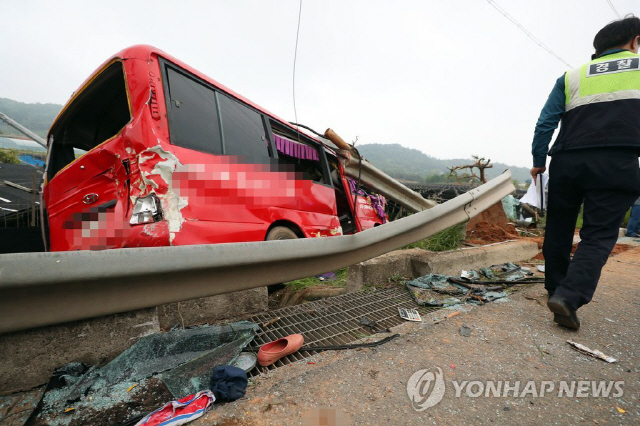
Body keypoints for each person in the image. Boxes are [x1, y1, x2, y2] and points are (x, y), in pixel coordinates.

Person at [531, 16, 640, 330]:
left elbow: (545, 123)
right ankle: (568, 295)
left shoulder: (571, 76)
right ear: (634, 41)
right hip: (616, 161)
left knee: (559, 226)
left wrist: (539, 160)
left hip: (566, 160)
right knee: (598, 234)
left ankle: (554, 288)